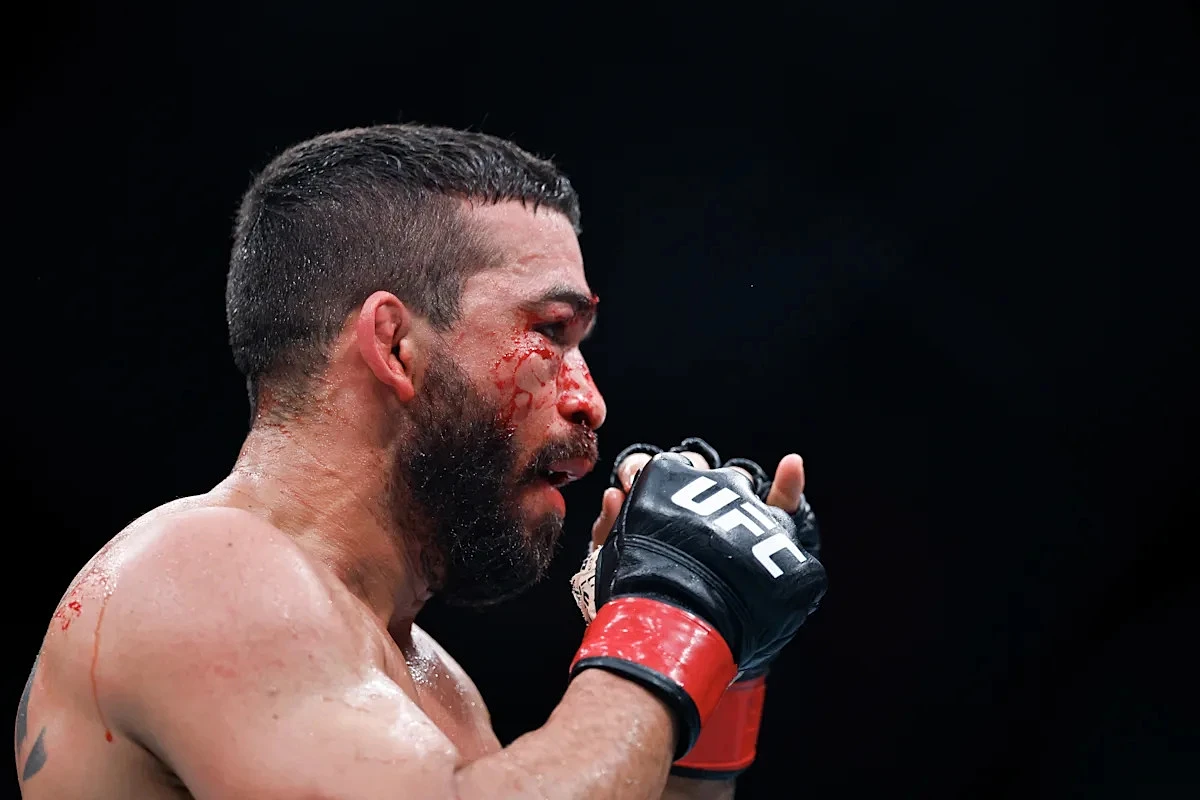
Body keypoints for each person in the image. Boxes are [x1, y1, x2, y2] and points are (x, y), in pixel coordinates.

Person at [13, 123, 826, 799]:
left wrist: (717, 658)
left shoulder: (427, 678)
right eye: (551, 332)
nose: (590, 401)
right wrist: (667, 610)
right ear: (396, 344)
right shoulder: (204, 571)